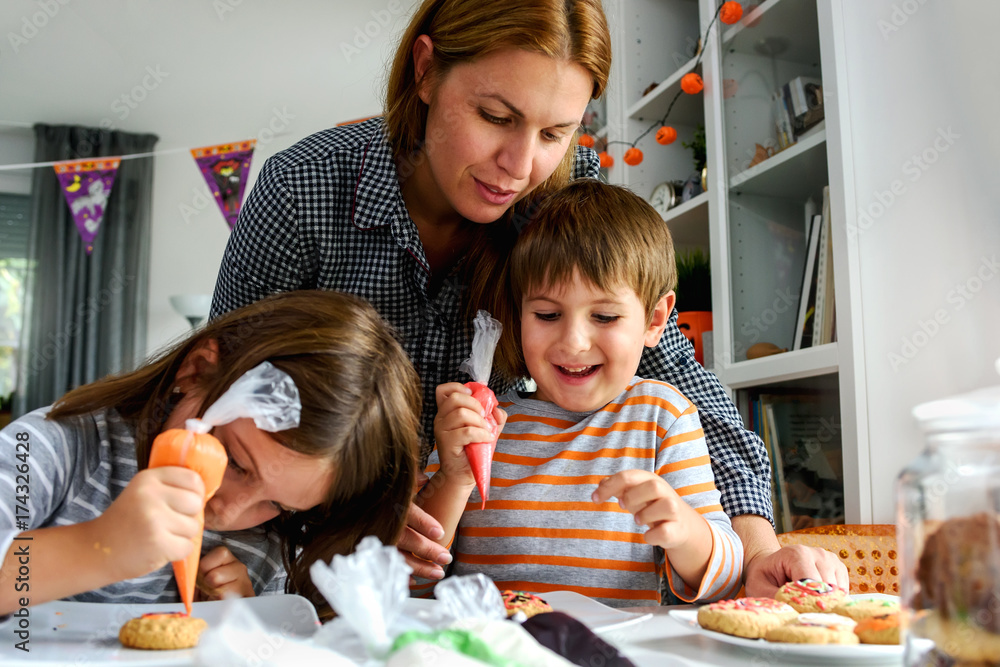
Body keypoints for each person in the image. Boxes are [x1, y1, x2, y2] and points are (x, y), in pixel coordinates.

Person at [209, 0, 846, 597]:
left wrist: (757, 551)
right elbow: (224, 399)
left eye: (554, 133)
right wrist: (346, 509)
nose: (519, 166)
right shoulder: (305, 189)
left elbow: (678, 376)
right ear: (426, 71)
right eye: (496, 117)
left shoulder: (564, 200)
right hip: (309, 559)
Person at [414, 181, 743, 606]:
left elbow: (727, 580)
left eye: (604, 316)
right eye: (547, 314)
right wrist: (454, 477)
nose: (573, 342)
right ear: (518, 317)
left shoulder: (663, 417)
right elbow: (411, 584)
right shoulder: (479, 424)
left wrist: (685, 530)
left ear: (655, 319)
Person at [0, 291, 420, 618]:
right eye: (235, 462)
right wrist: (98, 548)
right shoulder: (59, 447)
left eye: (275, 503)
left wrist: (244, 620)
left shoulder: (269, 546)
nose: (228, 509)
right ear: (197, 372)